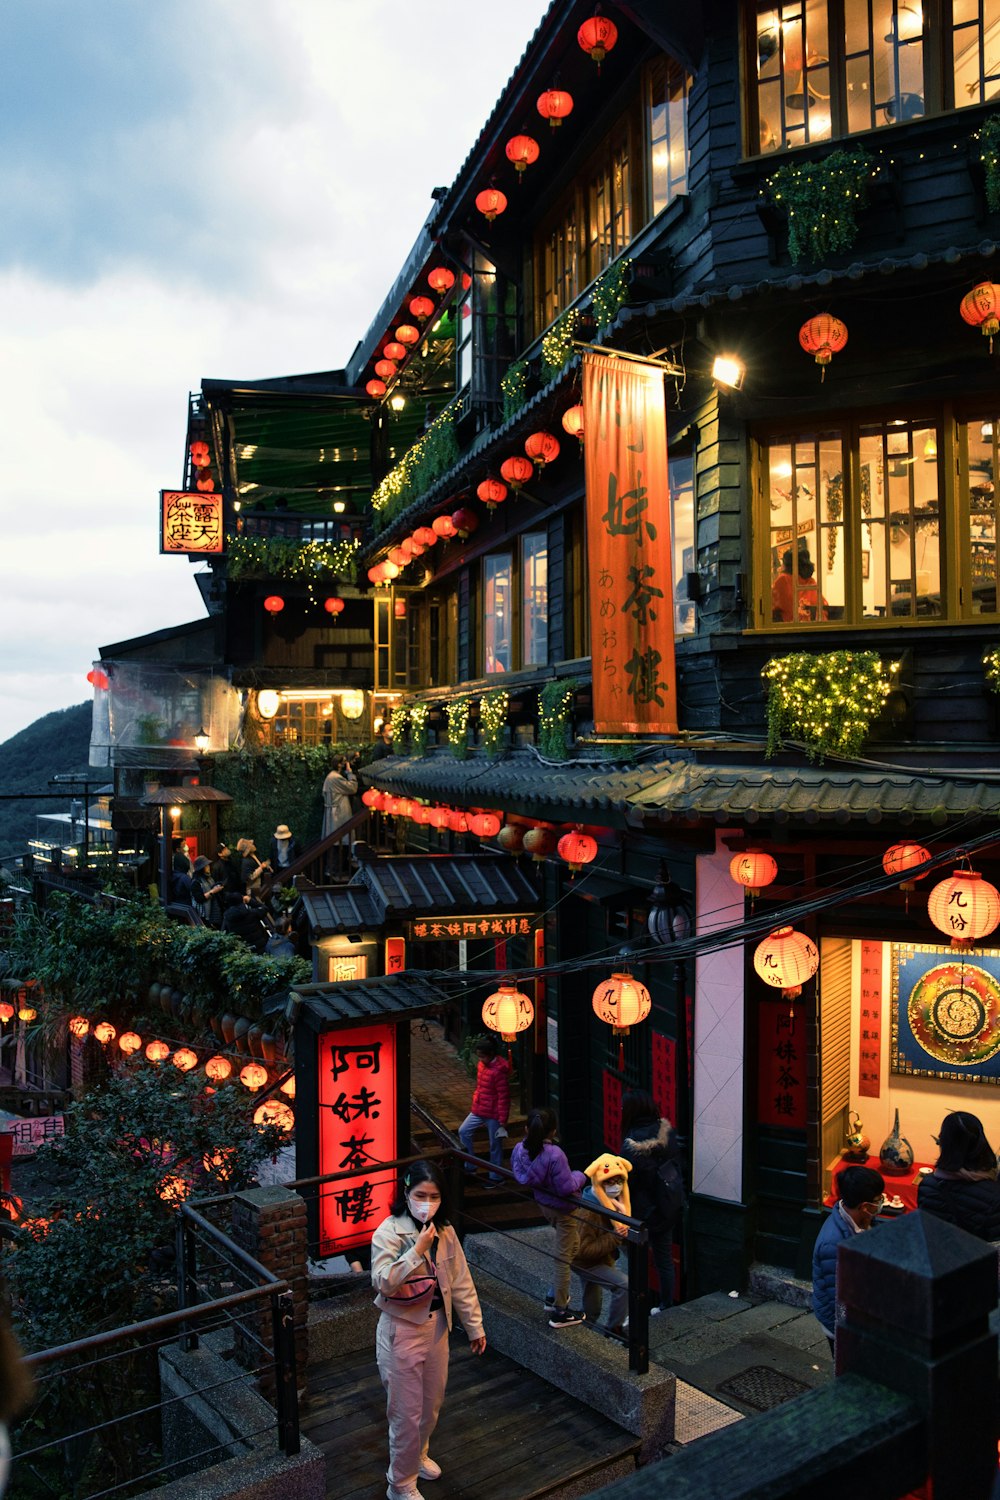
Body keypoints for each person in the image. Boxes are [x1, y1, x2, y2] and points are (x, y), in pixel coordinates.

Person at [371, 1159, 486, 1500]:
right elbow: (382, 1282)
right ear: (406, 1194)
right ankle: (400, 1483)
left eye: (434, 1196)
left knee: (431, 1403)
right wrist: (416, 1252)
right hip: (402, 1330)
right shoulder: (389, 1232)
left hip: (438, 1329)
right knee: (405, 1412)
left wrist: (475, 1327)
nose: (427, 1202)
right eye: (420, 1194)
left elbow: (461, 1281)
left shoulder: (446, 1231)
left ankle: (417, 1456)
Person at [511, 1108, 587, 1328]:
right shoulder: (555, 1155)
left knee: (573, 1246)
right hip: (564, 1210)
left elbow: (523, 1175)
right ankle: (559, 1310)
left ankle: (554, 1294)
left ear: (527, 1129)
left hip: (544, 1204)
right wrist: (581, 1176)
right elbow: (566, 1187)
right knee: (563, 1258)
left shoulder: (519, 1150)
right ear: (553, 1131)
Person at [620, 1089, 684, 1311]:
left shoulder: (631, 1144)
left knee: (637, 1261)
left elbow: (628, 1181)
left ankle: (639, 1308)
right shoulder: (667, 1132)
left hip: (642, 1211)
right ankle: (666, 1305)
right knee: (664, 1259)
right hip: (668, 1205)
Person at [812, 1164, 885, 1354]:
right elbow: (838, 1297)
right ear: (864, 1206)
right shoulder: (833, 1244)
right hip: (841, 1325)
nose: (881, 1204)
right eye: (878, 1200)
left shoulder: (862, 1221)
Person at [572, 1154, 631, 1336]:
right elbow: (583, 1251)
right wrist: (615, 1237)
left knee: (592, 1307)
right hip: (585, 1261)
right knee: (623, 1286)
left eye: (619, 1181)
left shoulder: (614, 1204)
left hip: (598, 1259)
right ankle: (614, 1329)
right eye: (610, 1182)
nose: (616, 1187)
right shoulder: (590, 1211)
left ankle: (584, 1333)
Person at [917, 1111, 1000, 1240]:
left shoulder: (927, 1185)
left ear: (944, 1143)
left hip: (936, 1257)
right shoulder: (994, 1196)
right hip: (975, 1258)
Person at [457, 1036, 510, 1185]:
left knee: (495, 1144)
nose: (480, 1059)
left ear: (491, 1054)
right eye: (479, 1056)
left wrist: (502, 1120)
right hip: (479, 1108)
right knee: (463, 1131)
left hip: (493, 1113)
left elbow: (503, 1097)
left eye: (483, 1056)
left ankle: (496, 1176)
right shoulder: (482, 1065)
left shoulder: (499, 1072)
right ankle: (470, 1164)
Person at [771, 548, 829, 622]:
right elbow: (824, 609)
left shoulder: (783, 580)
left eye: (783, 563)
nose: (780, 567)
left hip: (790, 629)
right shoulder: (811, 582)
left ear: (788, 565)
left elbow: (771, 609)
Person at [322, 757, 358, 873]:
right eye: (343, 763)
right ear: (339, 765)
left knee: (337, 842)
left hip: (334, 814)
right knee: (338, 842)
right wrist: (350, 773)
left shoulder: (331, 777)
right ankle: (335, 869)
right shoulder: (335, 778)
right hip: (338, 815)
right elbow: (353, 788)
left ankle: (334, 868)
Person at [190, 856, 224, 926]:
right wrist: (213, 891)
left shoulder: (209, 878)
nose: (208, 867)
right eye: (206, 866)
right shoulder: (196, 881)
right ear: (201, 868)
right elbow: (199, 898)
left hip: (212, 910)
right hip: (201, 914)